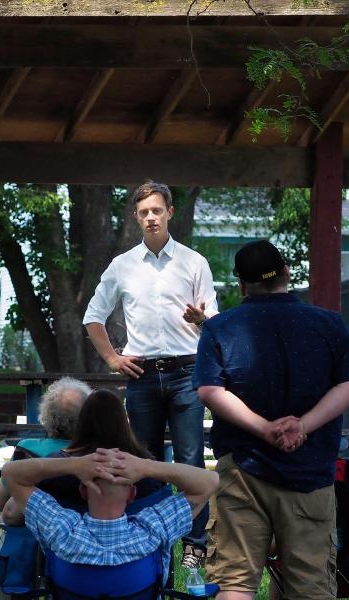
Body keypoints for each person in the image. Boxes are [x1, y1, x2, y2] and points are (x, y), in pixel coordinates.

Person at [194, 239, 349, 600]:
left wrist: (264, 428)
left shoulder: (219, 328)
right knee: (310, 587)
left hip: (242, 471)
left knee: (234, 583)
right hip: (311, 474)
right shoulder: (330, 324)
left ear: (242, 284)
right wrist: (303, 425)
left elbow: (209, 391)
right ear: (287, 273)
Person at [83, 180, 218, 567]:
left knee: (190, 460)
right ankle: (150, 540)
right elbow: (92, 317)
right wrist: (112, 359)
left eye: (157, 210)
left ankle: (194, 545)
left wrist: (201, 319)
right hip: (142, 374)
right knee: (144, 461)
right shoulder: (122, 265)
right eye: (144, 212)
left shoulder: (194, 262)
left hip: (187, 370)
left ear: (170, 212)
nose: (151, 218)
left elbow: (215, 323)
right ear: (136, 217)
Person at [1, 447, 218, 589]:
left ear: (83, 491)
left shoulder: (59, 529)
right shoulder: (154, 530)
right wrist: (146, 466)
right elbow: (209, 481)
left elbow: (11, 473)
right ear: (132, 495)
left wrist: (72, 464)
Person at [0, 376, 91, 600]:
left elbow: (0, 500)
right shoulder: (96, 454)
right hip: (83, 546)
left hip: (29, 546)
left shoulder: (26, 450)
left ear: (47, 416)